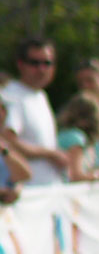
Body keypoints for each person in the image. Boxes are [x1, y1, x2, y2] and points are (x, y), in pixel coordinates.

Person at [1, 37, 64, 186]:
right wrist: (50, 154)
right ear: (20, 64)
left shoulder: (40, 95)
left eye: (47, 63)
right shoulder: (11, 96)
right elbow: (8, 140)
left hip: (48, 188)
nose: (41, 69)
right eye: (34, 63)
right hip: (26, 190)